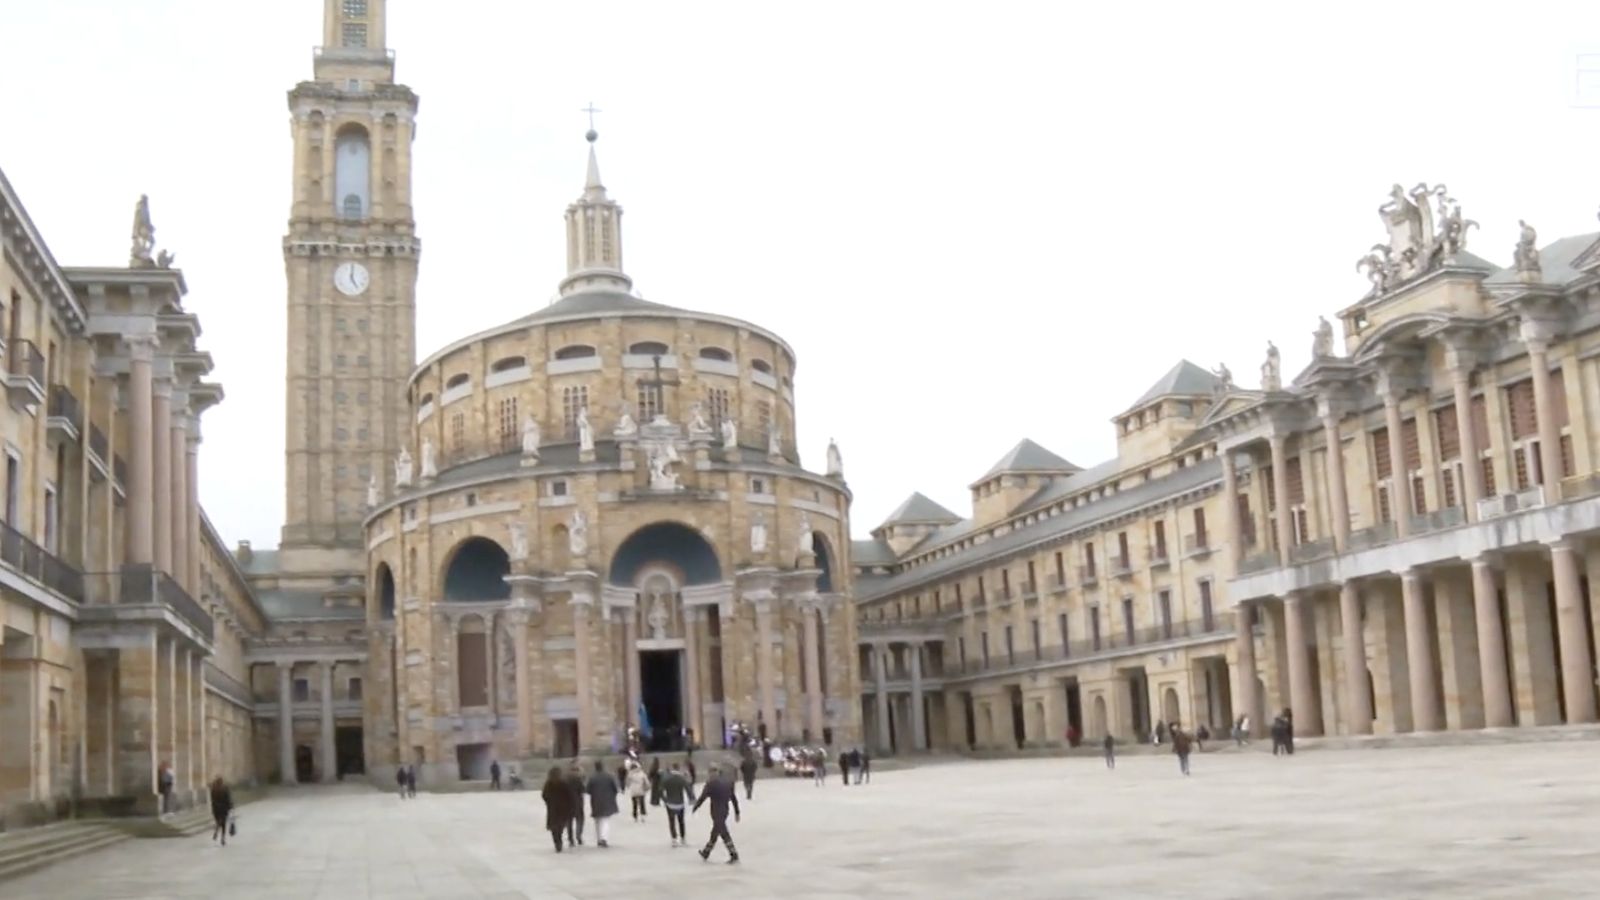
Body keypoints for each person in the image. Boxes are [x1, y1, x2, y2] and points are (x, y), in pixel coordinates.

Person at [692, 764, 741, 864]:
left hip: (716, 811)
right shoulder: (728, 782)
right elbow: (733, 798)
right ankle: (706, 852)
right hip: (725, 810)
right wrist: (737, 812)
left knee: (723, 833)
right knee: (716, 831)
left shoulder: (710, 784)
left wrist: (696, 807)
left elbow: (703, 797)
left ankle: (734, 854)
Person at [587, 759, 621, 848]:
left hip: (596, 801)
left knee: (597, 821)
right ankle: (604, 838)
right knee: (605, 820)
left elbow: (588, 790)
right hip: (608, 800)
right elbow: (615, 788)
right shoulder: (609, 776)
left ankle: (599, 838)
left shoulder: (592, 778)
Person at [659, 762, 694, 848]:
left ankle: (674, 839)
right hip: (680, 803)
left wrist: (664, 799)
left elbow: (660, 790)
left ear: (672, 768)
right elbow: (688, 789)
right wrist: (691, 798)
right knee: (681, 821)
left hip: (670, 803)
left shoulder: (666, 779)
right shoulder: (681, 779)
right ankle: (683, 838)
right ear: (678, 768)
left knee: (672, 821)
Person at [541, 768, 575, 852]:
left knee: (554, 827)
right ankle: (559, 841)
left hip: (553, 809)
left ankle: (557, 842)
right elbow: (571, 795)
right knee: (560, 826)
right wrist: (570, 806)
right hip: (563, 809)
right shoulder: (564, 783)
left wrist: (549, 802)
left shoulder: (548, 784)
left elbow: (544, 795)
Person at [564, 765, 587, 847]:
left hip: (567, 804)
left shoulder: (565, 780)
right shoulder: (578, 780)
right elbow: (583, 790)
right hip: (578, 803)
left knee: (569, 822)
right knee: (580, 820)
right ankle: (578, 836)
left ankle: (571, 839)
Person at [209, 776, 233, 846]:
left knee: (218, 822)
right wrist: (230, 807)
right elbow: (228, 799)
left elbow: (212, 800)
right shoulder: (225, 788)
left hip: (216, 809)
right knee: (223, 825)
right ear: (222, 782)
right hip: (224, 808)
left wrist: (213, 808)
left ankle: (216, 830)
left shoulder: (213, 789)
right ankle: (223, 839)